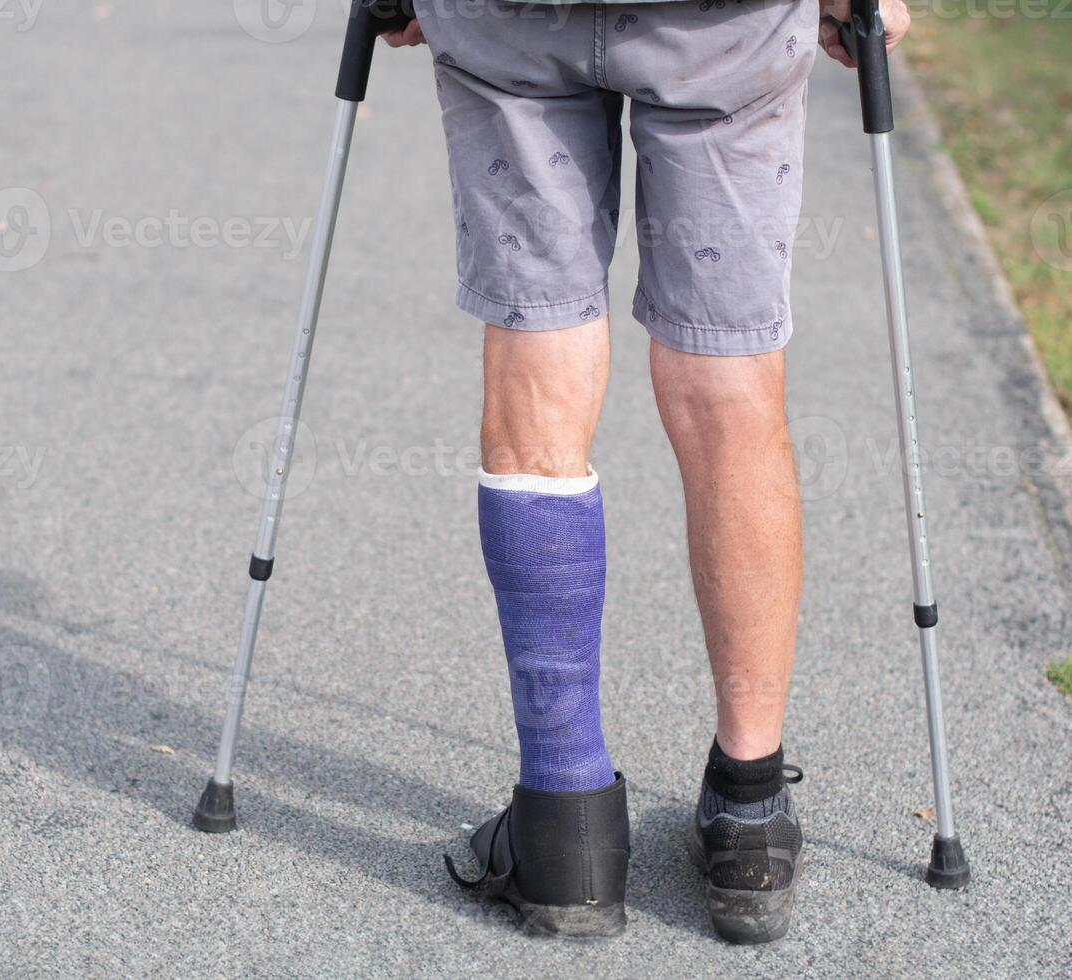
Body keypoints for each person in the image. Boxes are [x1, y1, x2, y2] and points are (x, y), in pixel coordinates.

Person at [383, 0, 910, 943]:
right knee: (727, 381)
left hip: (510, 22)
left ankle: (564, 827)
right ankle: (749, 812)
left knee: (539, 343)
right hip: (724, 28)